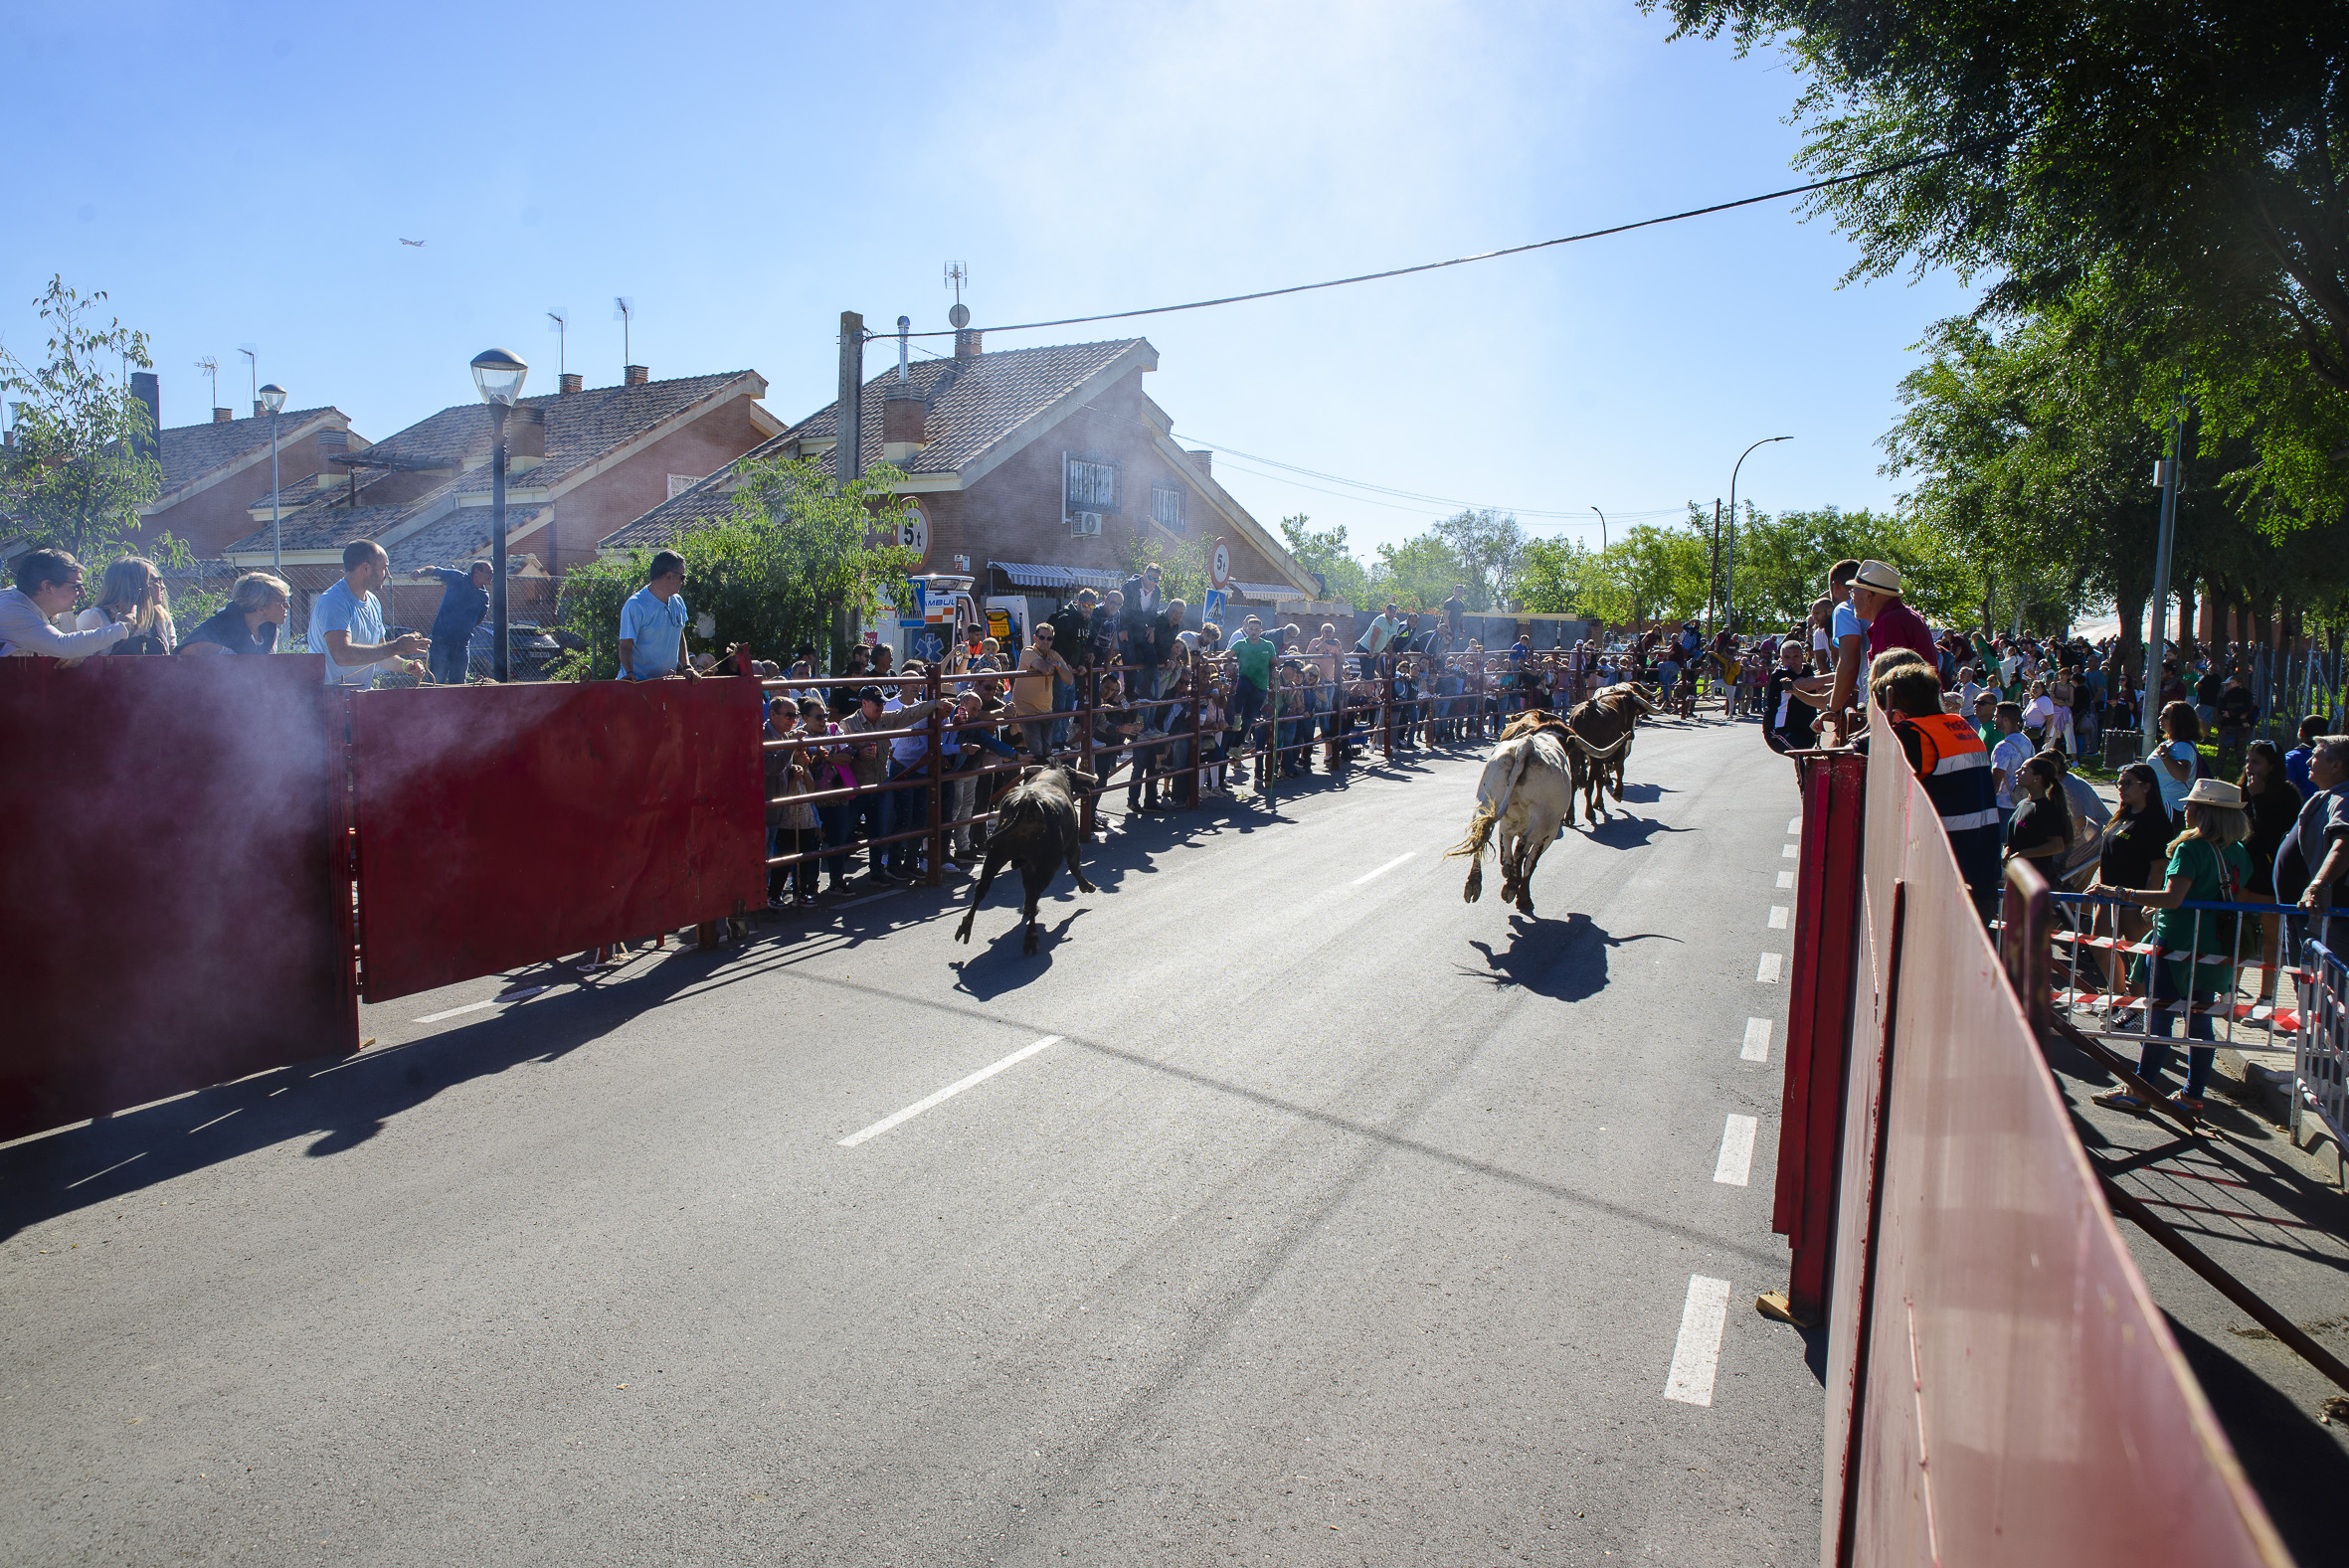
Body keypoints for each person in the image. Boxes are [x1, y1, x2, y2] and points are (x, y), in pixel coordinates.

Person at [2092, 779, 2254, 1114]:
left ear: (2207, 812)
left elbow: (2174, 897)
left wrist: (2121, 893)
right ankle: (2193, 1095)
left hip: (2177, 942)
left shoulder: (2190, 848)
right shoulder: (2237, 851)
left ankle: (2141, 1089)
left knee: (2161, 1016)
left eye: (2192, 805)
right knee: (2200, 1019)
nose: (2185, 809)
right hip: (2214, 944)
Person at [1877, 662, 2003, 922]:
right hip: (1982, 873)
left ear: (1896, 710)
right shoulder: (1962, 727)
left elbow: (1874, 754)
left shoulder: (1914, 734)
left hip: (1945, 879)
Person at [2086, 764, 2174, 997]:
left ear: (2146, 787)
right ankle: (2118, 996)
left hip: (2132, 898)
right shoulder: (2122, 816)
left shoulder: (2155, 822)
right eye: (2119, 782)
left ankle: (2136, 1008)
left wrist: (2148, 903)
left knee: (2138, 956)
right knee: (2099, 945)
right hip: (2107, 894)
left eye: (2127, 783)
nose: (2120, 787)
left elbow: (2159, 868)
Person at [2239, 740, 2303, 1009]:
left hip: (2268, 875)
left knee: (2270, 937)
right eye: (2248, 760)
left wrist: (2259, 798)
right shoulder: (2241, 788)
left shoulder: (2286, 794)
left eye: (2257, 762)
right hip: (2242, 871)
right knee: (2238, 933)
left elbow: (2272, 837)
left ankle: (2266, 996)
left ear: (2272, 766)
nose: (2250, 767)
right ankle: (2229, 989)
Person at [312, 540, 427, 688]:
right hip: (329, 701)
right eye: (384, 568)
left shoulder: (373, 601)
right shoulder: (335, 601)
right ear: (366, 568)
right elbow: (342, 655)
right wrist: (397, 646)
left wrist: (406, 665)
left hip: (361, 699)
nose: (387, 574)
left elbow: (382, 657)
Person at [0, 549, 135, 659]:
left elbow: (69, 653)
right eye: (76, 586)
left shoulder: (62, 612)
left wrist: (78, 656)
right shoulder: (8, 609)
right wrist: (122, 627)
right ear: (48, 586)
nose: (83, 593)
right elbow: (63, 646)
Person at [76, 556, 176, 654]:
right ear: (134, 585)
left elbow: (173, 658)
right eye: (156, 580)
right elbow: (78, 662)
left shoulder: (160, 616)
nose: (162, 586)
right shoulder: (94, 617)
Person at [413, 559, 490, 685]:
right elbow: (434, 570)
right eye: (488, 572)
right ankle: (433, 704)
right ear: (476, 571)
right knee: (437, 681)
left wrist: (464, 628)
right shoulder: (458, 578)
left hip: (462, 645)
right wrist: (419, 572)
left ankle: (457, 705)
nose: (490, 576)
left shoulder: (484, 596)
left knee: (459, 684)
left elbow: (479, 618)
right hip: (441, 641)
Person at [618, 550, 691, 681]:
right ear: (669, 575)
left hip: (666, 683)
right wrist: (629, 673)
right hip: (639, 684)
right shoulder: (636, 605)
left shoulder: (678, 601)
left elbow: (680, 635)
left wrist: (687, 666)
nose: (683, 582)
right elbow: (625, 646)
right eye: (682, 577)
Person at [179, 571, 292, 656]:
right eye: (282, 603)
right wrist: (227, 653)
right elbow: (186, 650)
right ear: (261, 607)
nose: (288, 606)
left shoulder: (269, 627)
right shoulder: (221, 624)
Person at [1010, 620, 1075, 761]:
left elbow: (1069, 680)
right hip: (1027, 711)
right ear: (1035, 638)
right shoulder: (1028, 651)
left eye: (1049, 638)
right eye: (1042, 637)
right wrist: (1055, 667)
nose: (1045, 641)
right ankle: (1033, 780)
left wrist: (1057, 665)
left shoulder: (1053, 655)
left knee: (1047, 754)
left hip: (1045, 710)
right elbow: (1045, 669)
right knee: (1037, 755)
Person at [1821, 559, 1870, 740]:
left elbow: (1848, 664)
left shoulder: (1844, 609)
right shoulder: (1878, 605)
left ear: (1835, 586)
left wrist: (1832, 709)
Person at [2151, 700, 2201, 818]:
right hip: (2163, 803)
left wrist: (2165, 756)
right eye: (2161, 714)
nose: (2160, 718)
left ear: (2178, 720)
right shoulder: (2171, 743)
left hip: (2172, 805)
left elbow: (2183, 775)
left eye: (2165, 715)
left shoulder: (2182, 746)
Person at [2284, 713, 2323, 797]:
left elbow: (2287, 791)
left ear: (2301, 732)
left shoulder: (2291, 759)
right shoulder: (2335, 758)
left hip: (2302, 809)